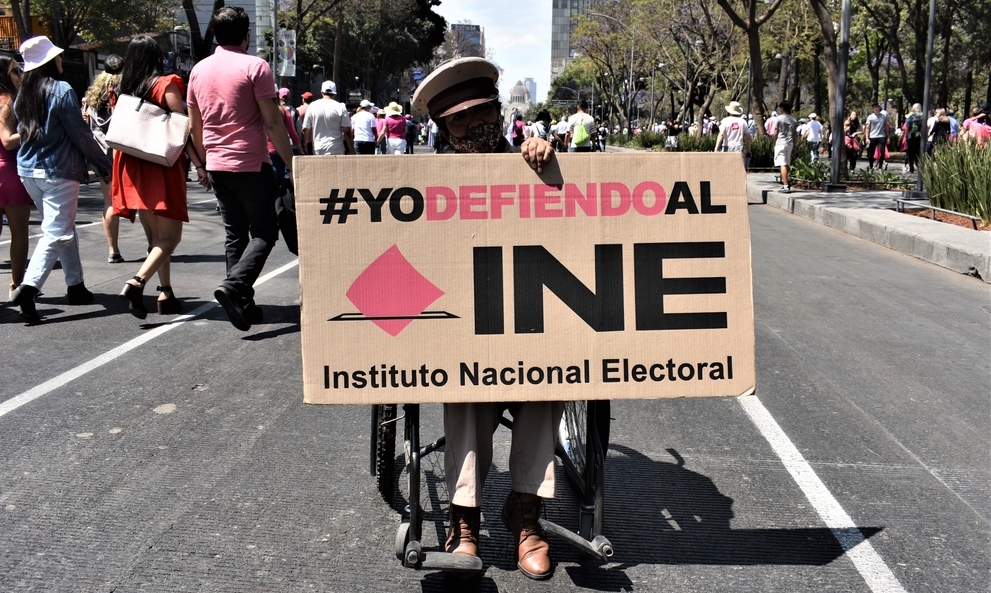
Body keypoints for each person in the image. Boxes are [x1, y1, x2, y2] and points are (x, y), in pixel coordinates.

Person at [411, 56, 558, 581]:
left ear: (499, 112)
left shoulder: (529, 161)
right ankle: (464, 517)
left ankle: (526, 513)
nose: (475, 125)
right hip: (460, 328)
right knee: (466, 389)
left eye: (483, 113)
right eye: (459, 120)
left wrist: (544, 155)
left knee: (551, 380)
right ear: (442, 129)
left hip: (528, 317)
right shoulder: (420, 182)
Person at [187, 6, 294, 331]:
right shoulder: (255, 66)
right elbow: (273, 123)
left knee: (235, 234)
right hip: (250, 163)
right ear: (246, 35)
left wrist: (203, 163)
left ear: (216, 34)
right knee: (264, 232)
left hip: (217, 164)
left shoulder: (199, 70)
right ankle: (235, 287)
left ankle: (243, 304)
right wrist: (294, 163)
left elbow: (194, 126)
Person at [10, 36, 111, 324]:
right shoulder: (61, 90)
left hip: (29, 171)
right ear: (48, 62)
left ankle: (75, 285)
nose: (60, 59)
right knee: (57, 232)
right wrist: (104, 165)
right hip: (59, 171)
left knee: (62, 226)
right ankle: (29, 288)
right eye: (56, 56)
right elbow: (80, 134)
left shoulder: (24, 94)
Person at [112, 36, 207, 319]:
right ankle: (137, 282)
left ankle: (165, 292)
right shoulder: (166, 84)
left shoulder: (123, 88)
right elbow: (183, 129)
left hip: (133, 164)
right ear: (156, 57)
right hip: (161, 164)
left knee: (155, 237)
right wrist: (200, 165)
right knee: (170, 238)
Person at [81, 54, 137, 264]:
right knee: (141, 199)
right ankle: (154, 246)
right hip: (126, 151)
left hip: (101, 154)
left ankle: (113, 250)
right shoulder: (128, 92)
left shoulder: (91, 98)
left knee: (109, 201)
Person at [0, 55, 32, 301]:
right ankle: (16, 286)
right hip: (9, 171)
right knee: (19, 232)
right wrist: (32, 128)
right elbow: (8, 141)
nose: (20, 76)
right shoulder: (8, 102)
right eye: (15, 71)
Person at [301, 80, 353, 156]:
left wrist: (304, 147)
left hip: (318, 148)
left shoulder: (312, 106)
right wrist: (351, 149)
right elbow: (347, 131)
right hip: (336, 149)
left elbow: (305, 129)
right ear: (335, 93)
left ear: (321, 92)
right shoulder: (341, 107)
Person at [713, 100, 752, 169]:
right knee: (738, 168)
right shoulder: (743, 122)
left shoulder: (725, 120)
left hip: (727, 146)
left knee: (726, 168)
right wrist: (748, 150)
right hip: (739, 147)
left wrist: (717, 148)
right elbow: (748, 138)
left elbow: (721, 134)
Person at [772, 100, 797, 193]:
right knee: (786, 164)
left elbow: (775, 132)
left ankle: (786, 185)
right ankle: (785, 182)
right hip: (790, 143)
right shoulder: (793, 120)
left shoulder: (778, 119)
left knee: (782, 164)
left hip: (781, 143)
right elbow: (795, 134)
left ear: (782, 108)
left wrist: (774, 143)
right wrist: (795, 145)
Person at [865, 103, 889, 171]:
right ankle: (871, 167)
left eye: (876, 107)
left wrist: (888, 137)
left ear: (879, 108)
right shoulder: (870, 117)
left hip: (881, 136)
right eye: (874, 107)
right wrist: (867, 138)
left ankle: (880, 167)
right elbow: (867, 128)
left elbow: (886, 127)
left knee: (882, 152)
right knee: (871, 154)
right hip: (872, 136)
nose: (875, 108)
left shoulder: (883, 117)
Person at [902, 103, 924, 173]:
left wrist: (906, 136)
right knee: (918, 152)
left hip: (911, 136)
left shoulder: (911, 117)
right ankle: (918, 164)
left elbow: (907, 127)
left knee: (910, 152)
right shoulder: (923, 116)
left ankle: (911, 167)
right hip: (919, 137)